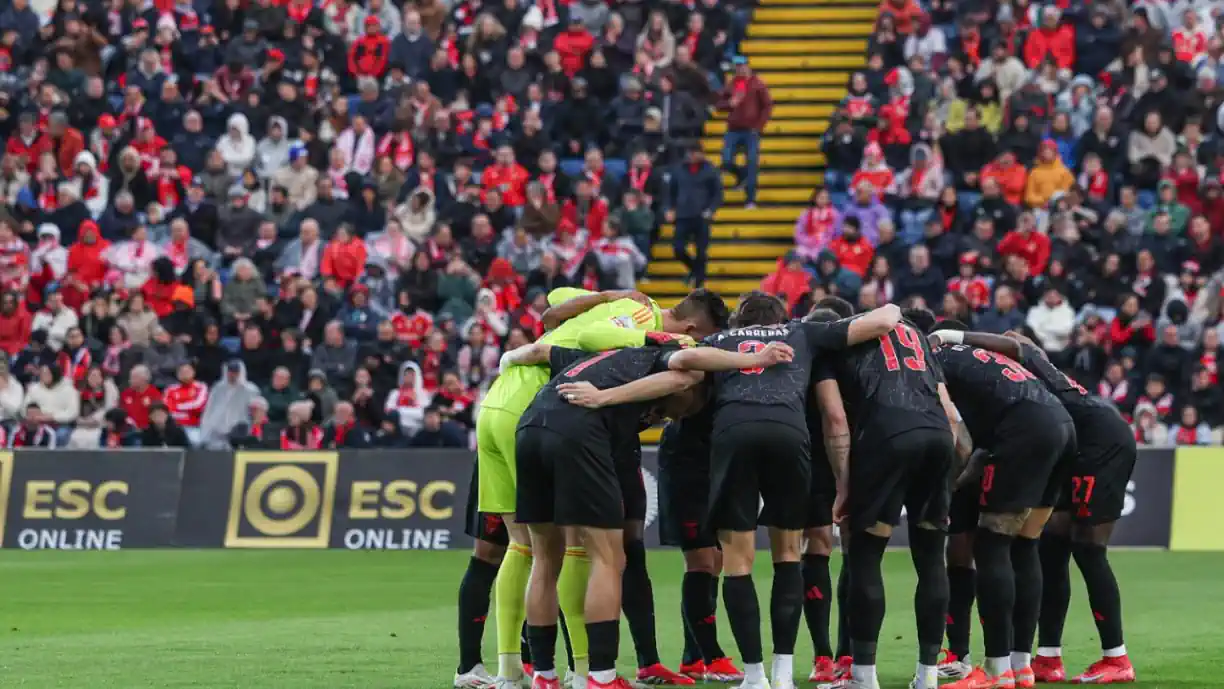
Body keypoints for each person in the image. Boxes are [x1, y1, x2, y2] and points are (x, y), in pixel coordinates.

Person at [466, 287, 728, 689]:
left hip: (501, 403)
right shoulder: (646, 318)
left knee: (526, 547)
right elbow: (594, 340)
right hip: (550, 402)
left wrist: (604, 295)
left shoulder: (615, 304)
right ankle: (586, 671)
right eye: (698, 337)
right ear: (691, 328)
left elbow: (552, 310)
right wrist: (658, 339)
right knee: (579, 550)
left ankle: (515, 670)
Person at [503, 336, 797, 689]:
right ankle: (601, 677)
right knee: (609, 558)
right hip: (579, 429)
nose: (678, 416)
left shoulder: (603, 356)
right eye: (688, 408)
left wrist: (509, 358)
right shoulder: (659, 359)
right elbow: (686, 368)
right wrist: (757, 356)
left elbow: (539, 350)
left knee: (545, 559)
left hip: (529, 426)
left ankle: (544, 676)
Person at [935, 330, 1138, 684]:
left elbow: (1015, 345)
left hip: (1098, 442)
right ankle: (1046, 657)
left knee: (1088, 550)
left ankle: (1116, 658)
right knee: (1049, 548)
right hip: (1067, 440)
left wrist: (954, 335)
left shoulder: (1017, 365)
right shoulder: (1012, 376)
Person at [811, 303, 960, 689]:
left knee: (865, 556)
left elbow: (835, 417)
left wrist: (844, 485)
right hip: (938, 437)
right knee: (931, 560)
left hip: (887, 437)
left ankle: (863, 675)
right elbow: (951, 413)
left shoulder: (828, 346)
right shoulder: (912, 333)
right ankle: (927, 675)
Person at [924, 320, 1077, 689]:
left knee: (992, 546)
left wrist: (945, 487)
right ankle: (1021, 666)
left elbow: (958, 435)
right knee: (1025, 546)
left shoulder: (931, 358)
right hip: (1062, 425)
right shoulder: (979, 356)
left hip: (1024, 431)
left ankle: (997, 671)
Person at [656, 400, 743, 683]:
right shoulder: (699, 362)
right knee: (701, 560)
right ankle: (712, 656)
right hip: (686, 463)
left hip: (712, 461)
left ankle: (693, 657)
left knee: (715, 560)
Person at [716, 56, 772, 208]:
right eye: (737, 66)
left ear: (748, 66)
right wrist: (729, 103)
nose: (740, 68)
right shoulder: (731, 84)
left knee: (752, 162)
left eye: (742, 65)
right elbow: (718, 104)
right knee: (726, 160)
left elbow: (767, 106)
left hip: (750, 130)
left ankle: (750, 199)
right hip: (733, 129)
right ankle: (742, 176)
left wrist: (759, 126)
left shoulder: (758, 85)